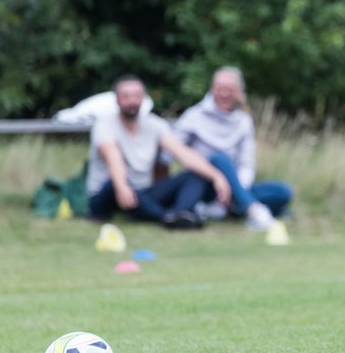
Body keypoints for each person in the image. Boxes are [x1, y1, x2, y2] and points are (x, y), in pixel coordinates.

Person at [86, 75, 232, 229]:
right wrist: (122, 186)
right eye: (126, 96)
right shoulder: (104, 125)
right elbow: (113, 158)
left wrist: (217, 176)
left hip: (143, 193)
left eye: (136, 96)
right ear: (117, 100)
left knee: (195, 175)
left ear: (143, 98)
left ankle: (180, 213)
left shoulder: (155, 125)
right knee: (114, 184)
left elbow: (183, 153)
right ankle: (167, 217)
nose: (132, 101)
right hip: (108, 192)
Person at [173, 66, 294, 231]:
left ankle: (231, 206)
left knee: (283, 191)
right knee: (219, 159)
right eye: (219, 89)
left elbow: (246, 161)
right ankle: (251, 209)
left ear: (239, 92)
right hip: (204, 184)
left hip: (235, 185)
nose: (224, 94)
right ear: (212, 89)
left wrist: (238, 189)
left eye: (229, 90)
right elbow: (172, 149)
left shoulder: (244, 121)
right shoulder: (194, 116)